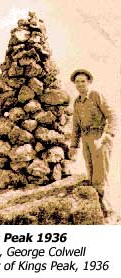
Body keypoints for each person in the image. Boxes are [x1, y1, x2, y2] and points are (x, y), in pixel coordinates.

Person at [69, 69, 116, 220]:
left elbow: (112, 116)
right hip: (86, 139)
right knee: (90, 174)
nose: (80, 84)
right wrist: (73, 146)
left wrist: (108, 135)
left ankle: (108, 212)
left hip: (99, 139)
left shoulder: (96, 95)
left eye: (83, 81)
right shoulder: (77, 101)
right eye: (77, 82)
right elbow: (76, 125)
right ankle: (98, 212)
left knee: (100, 177)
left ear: (89, 82)